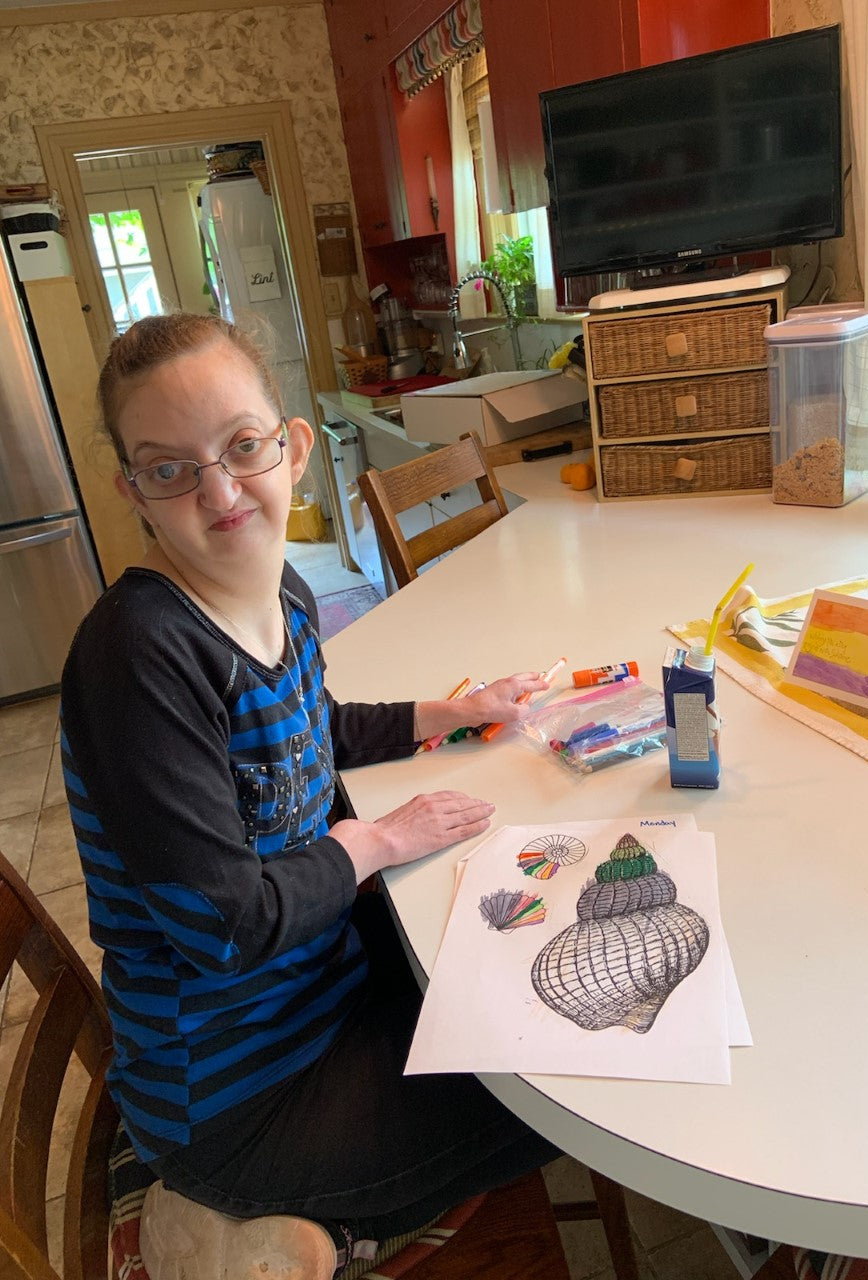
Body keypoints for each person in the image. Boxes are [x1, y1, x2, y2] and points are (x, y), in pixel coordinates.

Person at [59, 313, 560, 1279]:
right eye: (170, 468)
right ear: (136, 493)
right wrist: (377, 840)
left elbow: (306, 726)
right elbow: (224, 928)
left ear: (287, 448)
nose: (218, 490)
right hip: (240, 1093)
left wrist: (450, 711)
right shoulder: (137, 657)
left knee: (518, 972)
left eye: (242, 447)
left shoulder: (281, 592)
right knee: (559, 1094)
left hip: (321, 986)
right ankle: (246, 1216)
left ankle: (326, 1218)